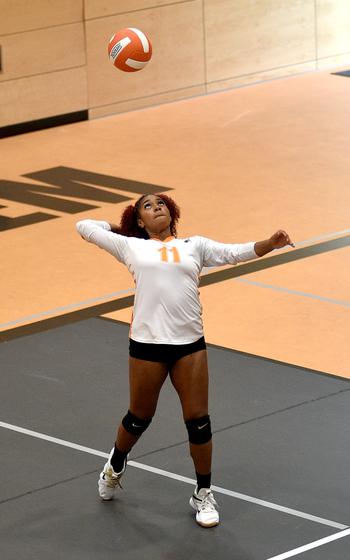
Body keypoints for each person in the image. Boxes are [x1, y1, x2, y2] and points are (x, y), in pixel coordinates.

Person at [76, 193, 294, 528]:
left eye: (161, 204)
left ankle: (203, 492)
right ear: (138, 221)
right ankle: (115, 465)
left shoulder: (196, 245)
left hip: (189, 346)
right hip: (147, 345)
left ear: (172, 212)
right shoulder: (131, 246)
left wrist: (271, 243)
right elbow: (84, 226)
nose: (156, 208)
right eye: (147, 207)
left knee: (199, 421)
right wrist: (120, 226)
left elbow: (235, 253)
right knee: (138, 417)